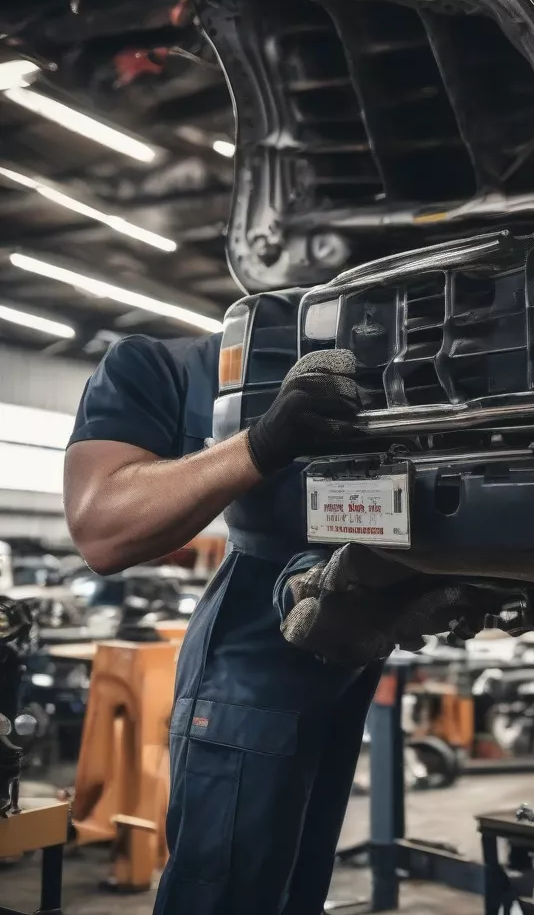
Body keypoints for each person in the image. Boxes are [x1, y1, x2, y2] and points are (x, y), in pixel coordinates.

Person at [63, 332, 378, 915]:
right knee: (225, 889)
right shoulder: (162, 366)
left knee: (295, 883)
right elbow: (100, 527)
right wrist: (259, 445)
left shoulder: (384, 348)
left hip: (347, 626)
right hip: (254, 629)